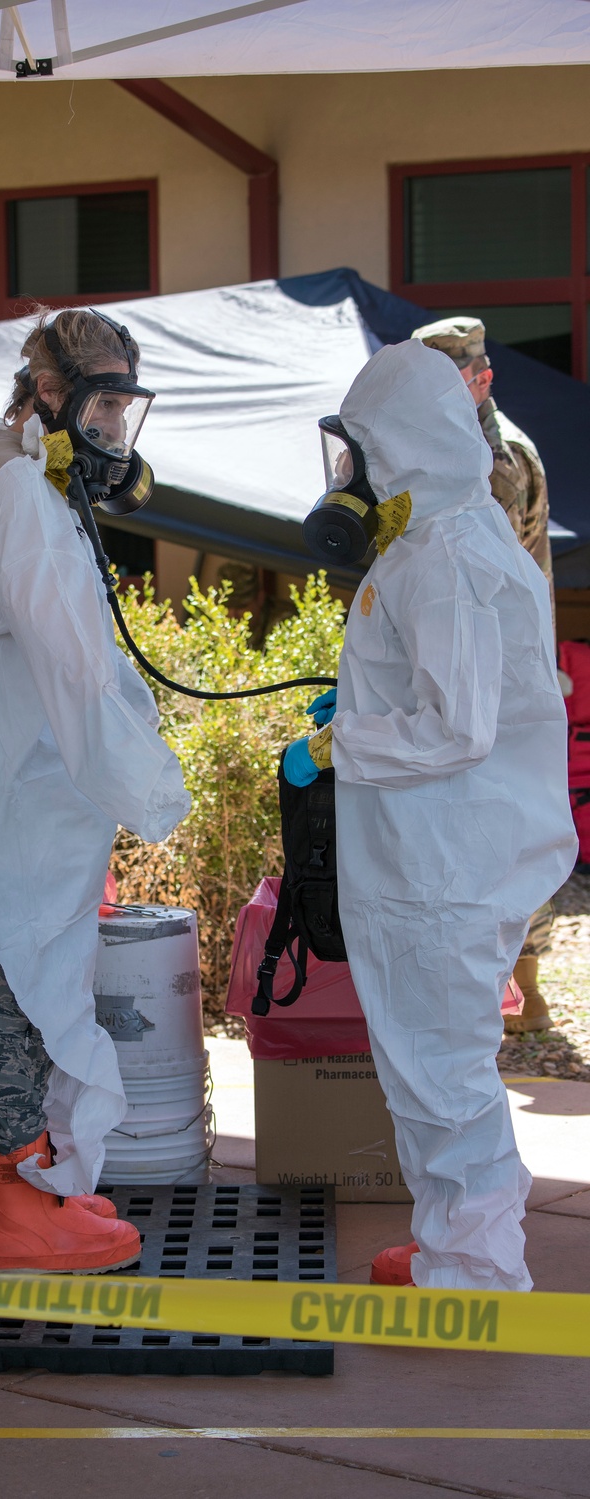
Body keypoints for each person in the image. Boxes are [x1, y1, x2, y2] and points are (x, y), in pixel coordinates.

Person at [0, 307, 191, 1274]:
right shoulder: (17, 489)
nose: (111, 436)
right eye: (100, 408)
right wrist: (153, 787)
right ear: (49, 395)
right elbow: (76, 663)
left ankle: (4, 1186)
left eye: (124, 414)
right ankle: (13, 1207)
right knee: (10, 972)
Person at [283, 339, 576, 1291]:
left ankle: (478, 1268)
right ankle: (456, 1239)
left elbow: (458, 726)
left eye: (358, 449)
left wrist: (345, 747)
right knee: (427, 1061)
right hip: (440, 848)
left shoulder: (445, 553)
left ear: (402, 444)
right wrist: (359, 712)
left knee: (442, 1070)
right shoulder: (440, 531)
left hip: (444, 859)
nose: (348, 475)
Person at [412, 317, 556, 1033]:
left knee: (499, 831)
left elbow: (465, 578)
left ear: (482, 378)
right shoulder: (455, 445)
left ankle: (514, 994)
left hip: (497, 672)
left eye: (451, 383)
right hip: (486, 667)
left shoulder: (494, 461)